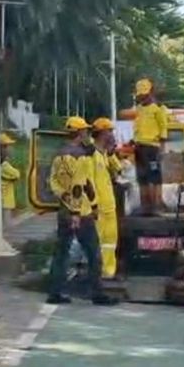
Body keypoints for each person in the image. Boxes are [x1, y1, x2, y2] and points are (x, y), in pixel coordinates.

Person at [47, 116, 117, 306]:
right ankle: (97, 293)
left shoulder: (58, 155)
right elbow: (81, 185)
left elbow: (54, 183)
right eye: (85, 131)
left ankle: (54, 292)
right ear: (79, 133)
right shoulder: (80, 156)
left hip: (64, 211)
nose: (87, 133)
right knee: (94, 253)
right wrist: (81, 210)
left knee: (61, 252)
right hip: (80, 214)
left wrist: (66, 201)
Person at [132, 78, 168, 215]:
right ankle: (145, 206)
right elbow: (138, 127)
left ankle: (156, 205)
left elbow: (163, 128)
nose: (143, 97)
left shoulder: (158, 108)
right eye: (141, 95)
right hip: (139, 147)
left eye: (145, 94)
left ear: (151, 92)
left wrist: (161, 150)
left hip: (152, 147)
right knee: (142, 178)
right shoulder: (139, 109)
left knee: (154, 178)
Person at [91, 117, 120, 280]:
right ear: (102, 133)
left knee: (110, 242)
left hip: (108, 206)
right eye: (110, 131)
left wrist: (111, 153)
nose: (113, 135)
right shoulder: (92, 155)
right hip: (99, 207)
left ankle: (108, 272)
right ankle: (99, 272)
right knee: (99, 242)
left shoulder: (103, 155)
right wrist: (93, 205)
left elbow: (118, 171)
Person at [0, 132, 22, 227]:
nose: (10, 149)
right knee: (6, 228)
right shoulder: (4, 165)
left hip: (5, 201)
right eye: (7, 146)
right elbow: (17, 174)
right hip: (5, 201)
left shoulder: (2, 164)